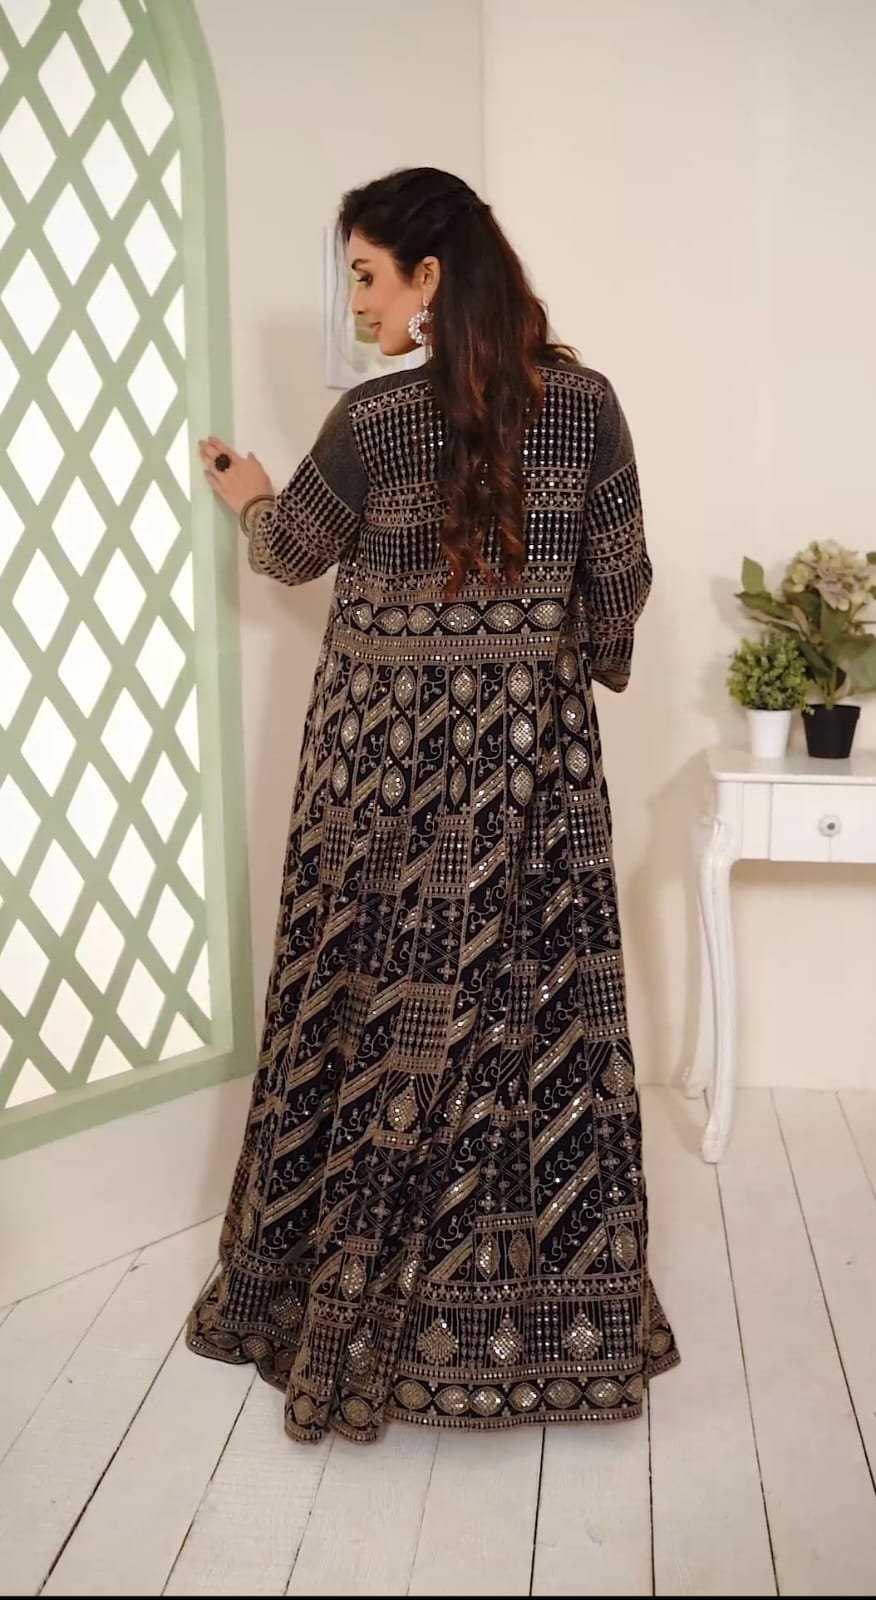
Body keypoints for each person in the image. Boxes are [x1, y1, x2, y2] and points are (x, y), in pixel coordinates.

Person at [187, 167, 679, 1445]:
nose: (355, 302)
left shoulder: (373, 421)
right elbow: (619, 587)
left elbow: (292, 549)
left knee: (364, 1007)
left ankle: (336, 1295)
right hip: (530, 772)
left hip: (377, 773)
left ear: (430, 277)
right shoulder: (588, 405)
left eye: (365, 274)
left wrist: (247, 492)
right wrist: (551, 660)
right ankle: (537, 1319)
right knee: (533, 1024)